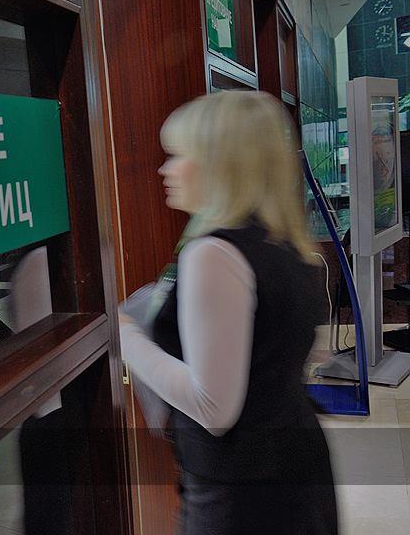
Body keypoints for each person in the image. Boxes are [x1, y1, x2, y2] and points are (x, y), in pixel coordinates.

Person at [118, 90, 338, 534]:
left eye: (178, 155)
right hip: (295, 465)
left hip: (241, 492)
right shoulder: (286, 244)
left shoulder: (213, 253)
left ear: (220, 164)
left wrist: (125, 337)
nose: (165, 170)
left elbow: (213, 407)